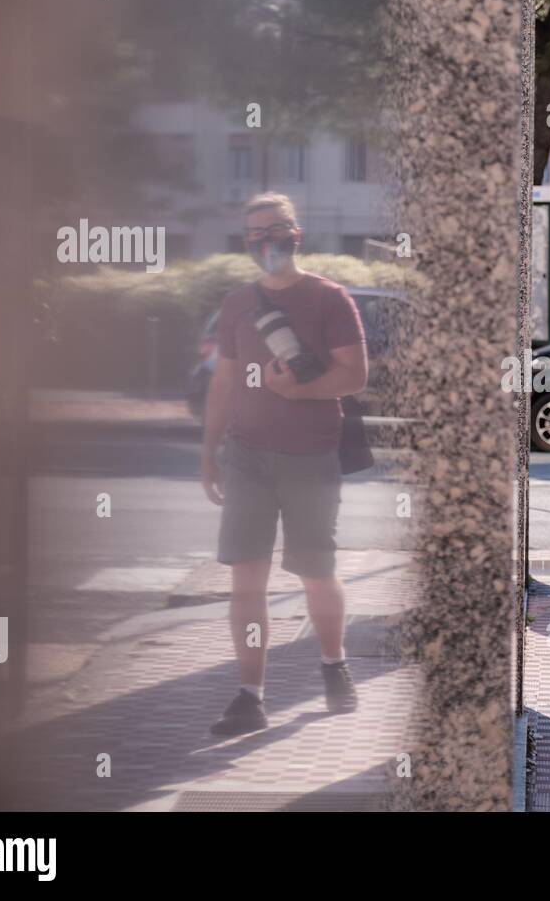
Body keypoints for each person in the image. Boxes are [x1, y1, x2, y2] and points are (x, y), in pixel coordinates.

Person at [200, 192, 368, 736]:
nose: (262, 243)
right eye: (252, 235)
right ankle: (250, 695)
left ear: (295, 234)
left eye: (271, 232)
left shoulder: (329, 298)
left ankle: (334, 665)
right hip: (246, 456)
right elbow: (224, 382)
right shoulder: (236, 304)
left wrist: (298, 394)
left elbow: (354, 377)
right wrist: (209, 454)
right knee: (246, 582)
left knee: (315, 572)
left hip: (311, 454)